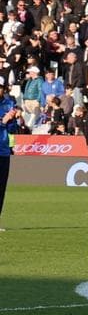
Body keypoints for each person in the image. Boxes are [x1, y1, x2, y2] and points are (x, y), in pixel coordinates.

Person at [0, 83, 21, 230]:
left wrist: (14, 120)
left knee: (1, 188)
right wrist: (3, 121)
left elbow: (12, 129)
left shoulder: (9, 103)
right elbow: (3, 123)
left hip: (3, 150)